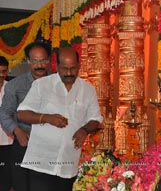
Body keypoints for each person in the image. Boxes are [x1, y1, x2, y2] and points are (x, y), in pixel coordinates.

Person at [17, 47, 103, 191]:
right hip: (41, 163)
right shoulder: (41, 85)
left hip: (68, 165)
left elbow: (96, 118)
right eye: (64, 68)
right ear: (56, 67)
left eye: (73, 68)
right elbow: (21, 113)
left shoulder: (88, 90)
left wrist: (84, 129)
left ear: (79, 66)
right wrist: (46, 118)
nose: (69, 73)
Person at [0, 41, 51, 191]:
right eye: (35, 61)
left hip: (50, 146)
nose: (39, 65)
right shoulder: (15, 85)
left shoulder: (58, 84)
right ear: (29, 61)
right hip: (23, 143)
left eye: (43, 60)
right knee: (22, 185)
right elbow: (4, 112)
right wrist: (16, 130)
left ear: (49, 61)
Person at [0, 56, 12, 191]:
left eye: (3, 71)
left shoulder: (11, 89)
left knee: (5, 180)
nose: (0, 75)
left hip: (8, 143)